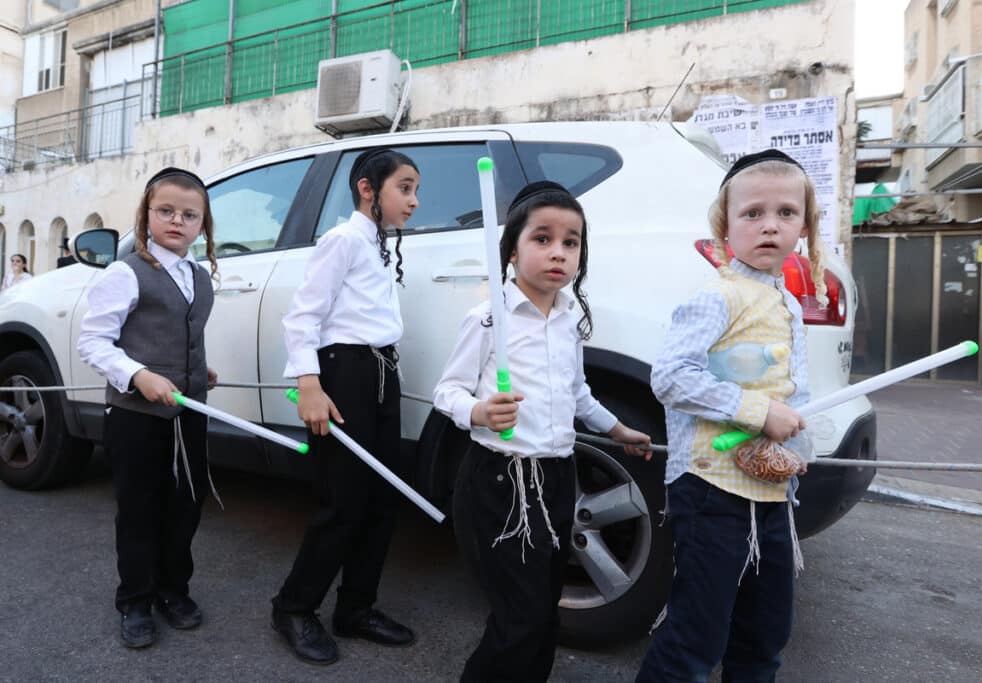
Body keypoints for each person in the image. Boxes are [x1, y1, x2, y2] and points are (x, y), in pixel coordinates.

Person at [434, 181, 652, 682]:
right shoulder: (489, 320)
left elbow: (577, 395)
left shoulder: (569, 321)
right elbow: (447, 392)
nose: (558, 252)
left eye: (570, 242)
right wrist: (481, 412)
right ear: (512, 251)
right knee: (521, 614)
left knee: (544, 608)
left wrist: (618, 429)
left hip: (557, 478)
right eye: (543, 239)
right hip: (500, 482)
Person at [636, 149, 826, 682]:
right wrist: (760, 412)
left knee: (764, 637)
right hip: (712, 491)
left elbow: (797, 391)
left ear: (805, 225)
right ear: (726, 223)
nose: (770, 226)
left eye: (786, 213)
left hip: (771, 497)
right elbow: (670, 378)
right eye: (753, 214)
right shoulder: (716, 296)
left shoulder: (786, 302)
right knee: (695, 638)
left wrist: (796, 449)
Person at [271, 148, 420, 665]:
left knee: (381, 500)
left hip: (383, 372)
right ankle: (293, 607)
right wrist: (309, 384)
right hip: (345, 374)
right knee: (343, 502)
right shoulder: (342, 239)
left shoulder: (380, 244)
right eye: (404, 188)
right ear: (367, 189)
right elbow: (303, 315)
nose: (414, 201)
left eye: (414, 190)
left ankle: (355, 608)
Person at [77, 167, 219, 649]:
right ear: (146, 214)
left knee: (186, 505)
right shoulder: (126, 273)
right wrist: (138, 375)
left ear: (203, 224)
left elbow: (181, 335)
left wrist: (200, 371)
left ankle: (172, 590)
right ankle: (135, 600)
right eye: (166, 211)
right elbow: (94, 342)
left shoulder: (200, 276)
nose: (177, 221)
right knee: (139, 510)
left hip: (190, 413)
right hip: (137, 418)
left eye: (189, 214)